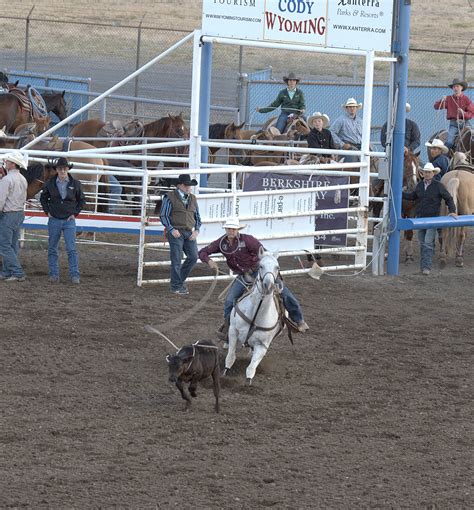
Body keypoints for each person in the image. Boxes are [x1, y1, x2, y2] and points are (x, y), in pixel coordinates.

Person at [198, 217, 309, 339]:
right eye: (229, 228)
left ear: (237, 230)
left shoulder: (248, 240)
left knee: (284, 293)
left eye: (233, 229)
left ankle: (299, 320)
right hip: (243, 276)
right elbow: (203, 252)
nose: (231, 231)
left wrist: (269, 269)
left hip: (259, 272)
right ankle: (228, 329)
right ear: (226, 229)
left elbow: (265, 254)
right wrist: (208, 261)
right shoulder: (221, 243)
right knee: (229, 301)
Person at [402, 162, 457, 275]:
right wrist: (401, 193)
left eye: (429, 172)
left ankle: (426, 267)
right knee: (423, 242)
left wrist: (452, 211)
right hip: (422, 219)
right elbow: (413, 196)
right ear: (423, 173)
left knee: (426, 242)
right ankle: (424, 267)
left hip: (432, 219)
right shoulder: (420, 186)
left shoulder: (438, 185)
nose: (427, 174)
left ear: (433, 173)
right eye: (425, 172)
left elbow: (449, 198)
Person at [40, 157, 86, 284]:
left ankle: (74, 275)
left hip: (68, 220)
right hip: (55, 218)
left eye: (64, 169)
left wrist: (75, 213)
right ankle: (55, 274)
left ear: (67, 169)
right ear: (57, 170)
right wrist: (47, 211)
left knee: (71, 249)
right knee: (53, 248)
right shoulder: (50, 183)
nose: (62, 171)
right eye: (60, 169)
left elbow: (82, 200)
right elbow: (43, 198)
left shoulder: (75, 184)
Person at [160, 173, 201, 295]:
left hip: (188, 231)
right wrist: (171, 229)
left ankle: (177, 282)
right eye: (186, 185)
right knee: (177, 259)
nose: (188, 187)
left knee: (193, 257)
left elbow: (197, 216)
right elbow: (164, 215)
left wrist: (197, 230)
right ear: (179, 185)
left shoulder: (192, 198)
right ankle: (177, 285)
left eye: (189, 185)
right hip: (176, 231)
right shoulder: (169, 197)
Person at [0, 151, 28, 282]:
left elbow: (1, 200)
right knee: (12, 245)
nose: (5, 162)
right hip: (19, 213)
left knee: (4, 245)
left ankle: (17, 272)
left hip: (8, 214)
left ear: (12, 164)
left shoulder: (6, 180)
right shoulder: (23, 179)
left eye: (7, 161)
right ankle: (6, 271)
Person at [434, 78, 474, 150]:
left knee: (472, 139)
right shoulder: (448, 99)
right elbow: (436, 107)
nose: (455, 88)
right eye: (454, 87)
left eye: (457, 86)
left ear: (461, 88)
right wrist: (441, 100)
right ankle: (446, 159)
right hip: (454, 125)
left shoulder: (466, 99)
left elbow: (471, 113)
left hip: (466, 124)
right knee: (449, 142)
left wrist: (463, 113)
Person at [330, 97, 363, 163]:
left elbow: (364, 134)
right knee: (352, 162)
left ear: (356, 108)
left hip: (360, 146)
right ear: (346, 109)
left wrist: (367, 142)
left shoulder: (360, 121)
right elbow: (331, 132)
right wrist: (342, 144)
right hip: (348, 147)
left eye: (354, 107)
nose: (352, 108)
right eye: (350, 107)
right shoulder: (341, 120)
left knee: (373, 158)